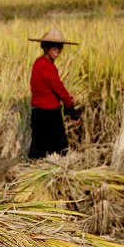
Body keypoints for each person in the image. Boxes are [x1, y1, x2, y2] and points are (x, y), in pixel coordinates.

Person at [28, 27, 81, 159]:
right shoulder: (46, 66)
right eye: (53, 46)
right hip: (49, 114)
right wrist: (73, 112)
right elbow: (60, 89)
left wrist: (64, 98)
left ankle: (32, 173)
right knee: (60, 150)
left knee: (38, 150)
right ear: (45, 46)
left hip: (38, 113)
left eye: (60, 46)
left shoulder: (38, 63)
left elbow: (46, 88)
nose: (57, 49)